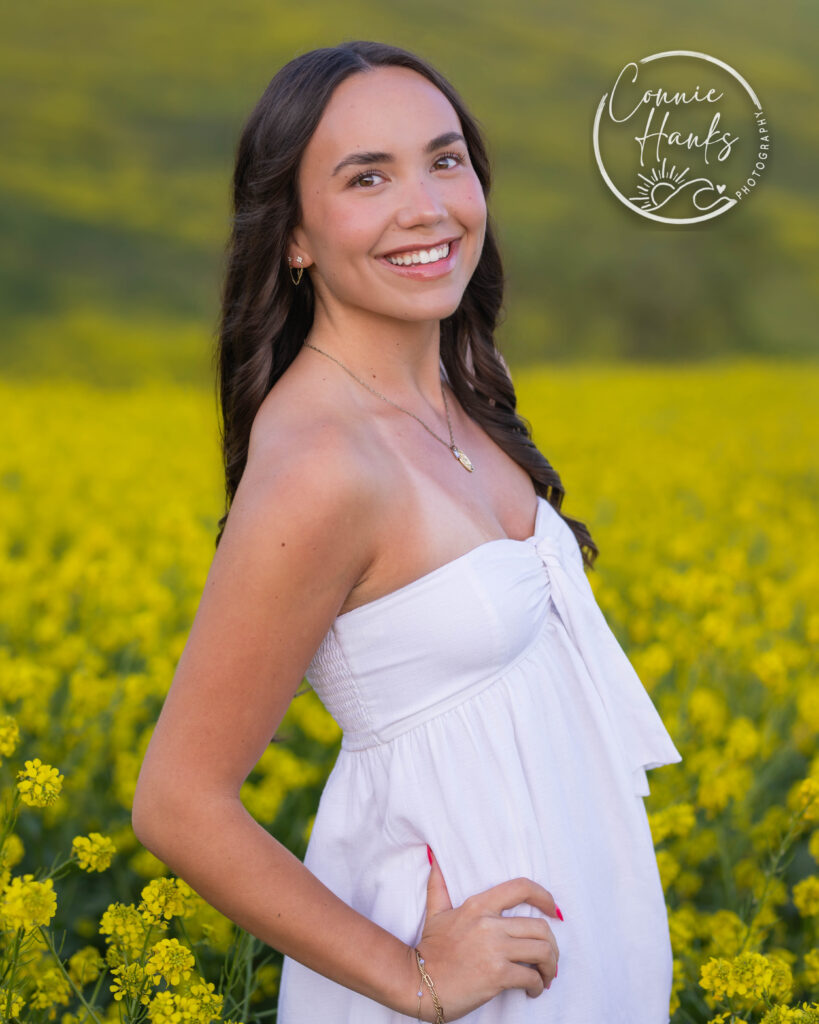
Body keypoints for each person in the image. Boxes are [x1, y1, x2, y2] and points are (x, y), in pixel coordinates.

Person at [132, 40, 682, 1023]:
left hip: (563, 949)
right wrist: (411, 978)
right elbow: (177, 801)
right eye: (366, 177)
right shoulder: (322, 465)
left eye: (444, 159)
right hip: (461, 978)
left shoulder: (463, 390)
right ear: (293, 236)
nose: (427, 208)